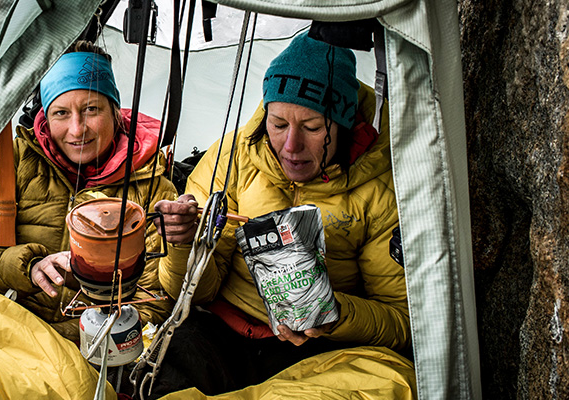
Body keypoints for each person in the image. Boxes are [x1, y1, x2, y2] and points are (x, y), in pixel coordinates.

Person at [147, 33, 410, 396]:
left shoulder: (381, 189)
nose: (291, 146)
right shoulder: (232, 158)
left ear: (344, 125)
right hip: (221, 332)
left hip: (319, 349)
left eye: (313, 127)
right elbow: (192, 294)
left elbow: (402, 322)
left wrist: (334, 312)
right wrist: (184, 243)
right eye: (279, 124)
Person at [0, 41, 177, 342]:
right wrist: (26, 267)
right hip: (1, 331)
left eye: (91, 109)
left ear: (115, 111)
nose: (77, 129)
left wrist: (55, 341)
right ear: (44, 115)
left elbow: (156, 302)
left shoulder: (153, 185)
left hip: (85, 350)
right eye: (61, 113)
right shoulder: (8, 164)